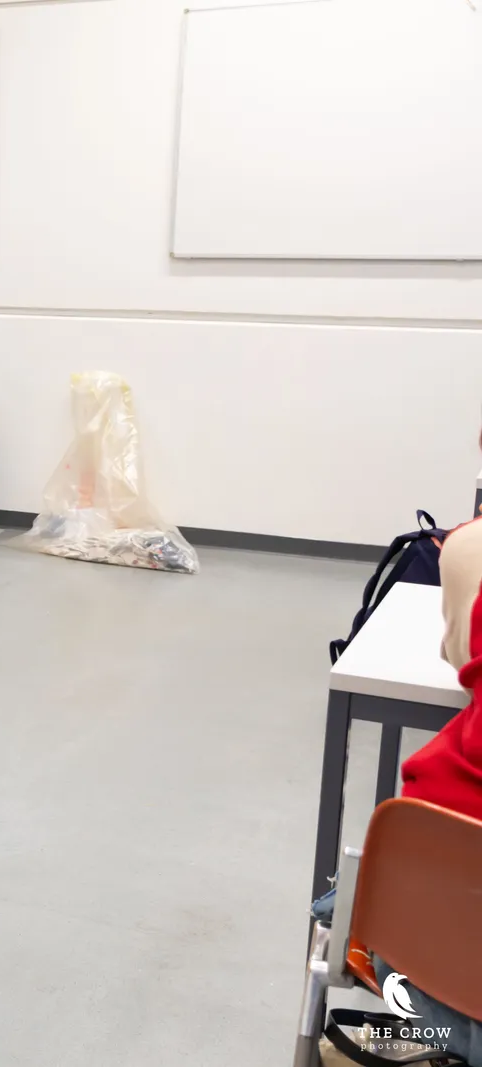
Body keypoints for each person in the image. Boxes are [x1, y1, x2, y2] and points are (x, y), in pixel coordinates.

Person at [312, 428, 482, 1061]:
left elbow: (457, 654)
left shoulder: (470, 550)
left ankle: (405, 1038)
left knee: (344, 905)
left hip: (414, 950)